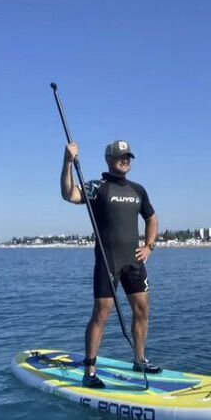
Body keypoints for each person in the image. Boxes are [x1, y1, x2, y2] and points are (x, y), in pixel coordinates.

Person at [60, 139, 161, 388]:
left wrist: (149, 246)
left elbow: (152, 218)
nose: (125, 159)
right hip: (108, 261)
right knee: (101, 315)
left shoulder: (138, 190)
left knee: (142, 311)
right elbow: (69, 194)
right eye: (120, 156)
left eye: (128, 156)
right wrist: (67, 163)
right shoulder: (98, 187)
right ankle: (90, 371)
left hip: (134, 262)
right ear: (109, 159)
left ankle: (139, 360)